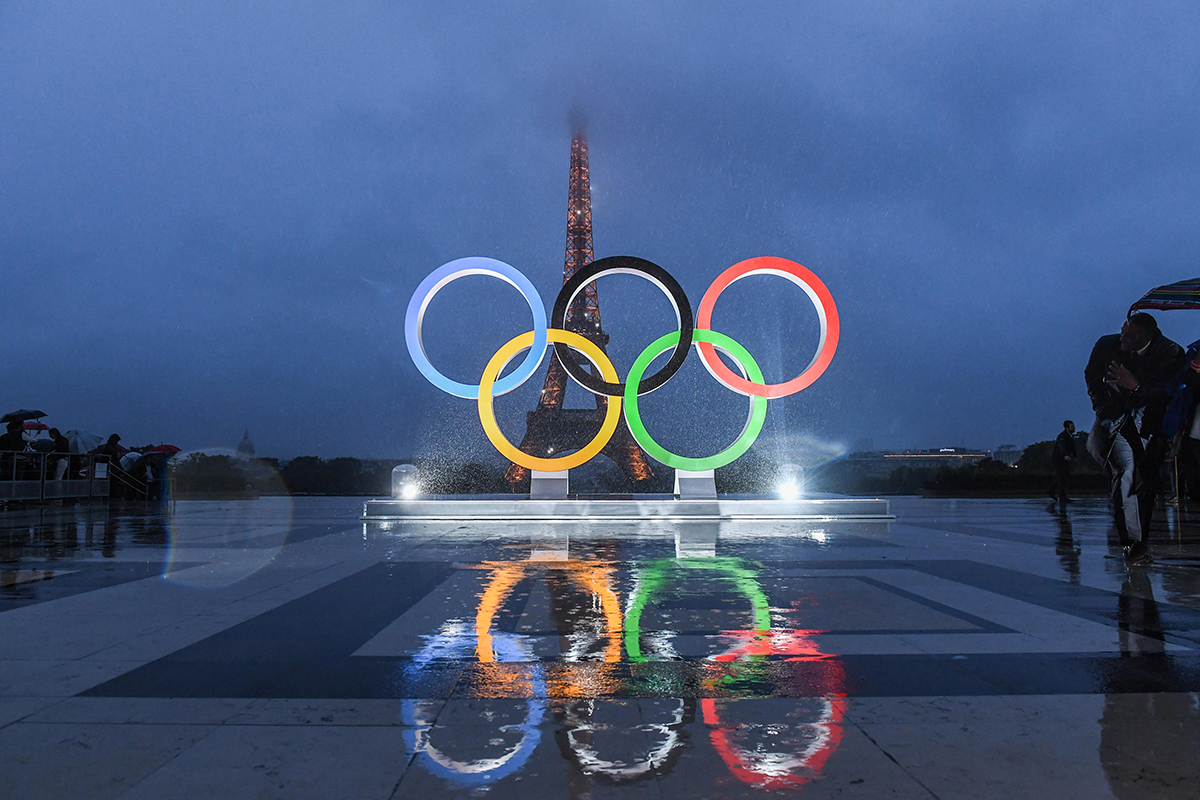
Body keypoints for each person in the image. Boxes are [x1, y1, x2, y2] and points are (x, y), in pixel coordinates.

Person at [1085, 312, 1185, 564]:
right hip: (1113, 417)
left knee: (1140, 480)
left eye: (1129, 337)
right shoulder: (1107, 345)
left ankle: (1135, 542)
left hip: (1149, 422)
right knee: (1125, 473)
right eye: (1122, 331)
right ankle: (1132, 541)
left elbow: (1170, 394)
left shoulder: (1171, 353)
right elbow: (1091, 374)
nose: (1122, 339)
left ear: (1146, 336)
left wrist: (1136, 387)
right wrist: (1101, 406)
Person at [1048, 420, 1076, 503]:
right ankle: (1060, 495)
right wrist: (1065, 455)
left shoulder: (1067, 436)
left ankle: (1052, 490)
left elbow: (1071, 447)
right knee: (1062, 477)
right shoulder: (1063, 436)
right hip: (1059, 459)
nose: (1074, 428)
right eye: (1072, 427)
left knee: (1062, 476)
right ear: (1067, 428)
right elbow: (1062, 447)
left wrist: (1074, 455)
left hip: (1062, 458)